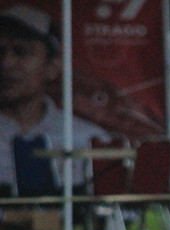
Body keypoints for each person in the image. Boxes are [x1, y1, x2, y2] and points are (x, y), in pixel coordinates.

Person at [0, 4, 107, 196]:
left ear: (52, 66)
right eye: (0, 52)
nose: (6, 63)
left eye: (21, 51)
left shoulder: (85, 138)